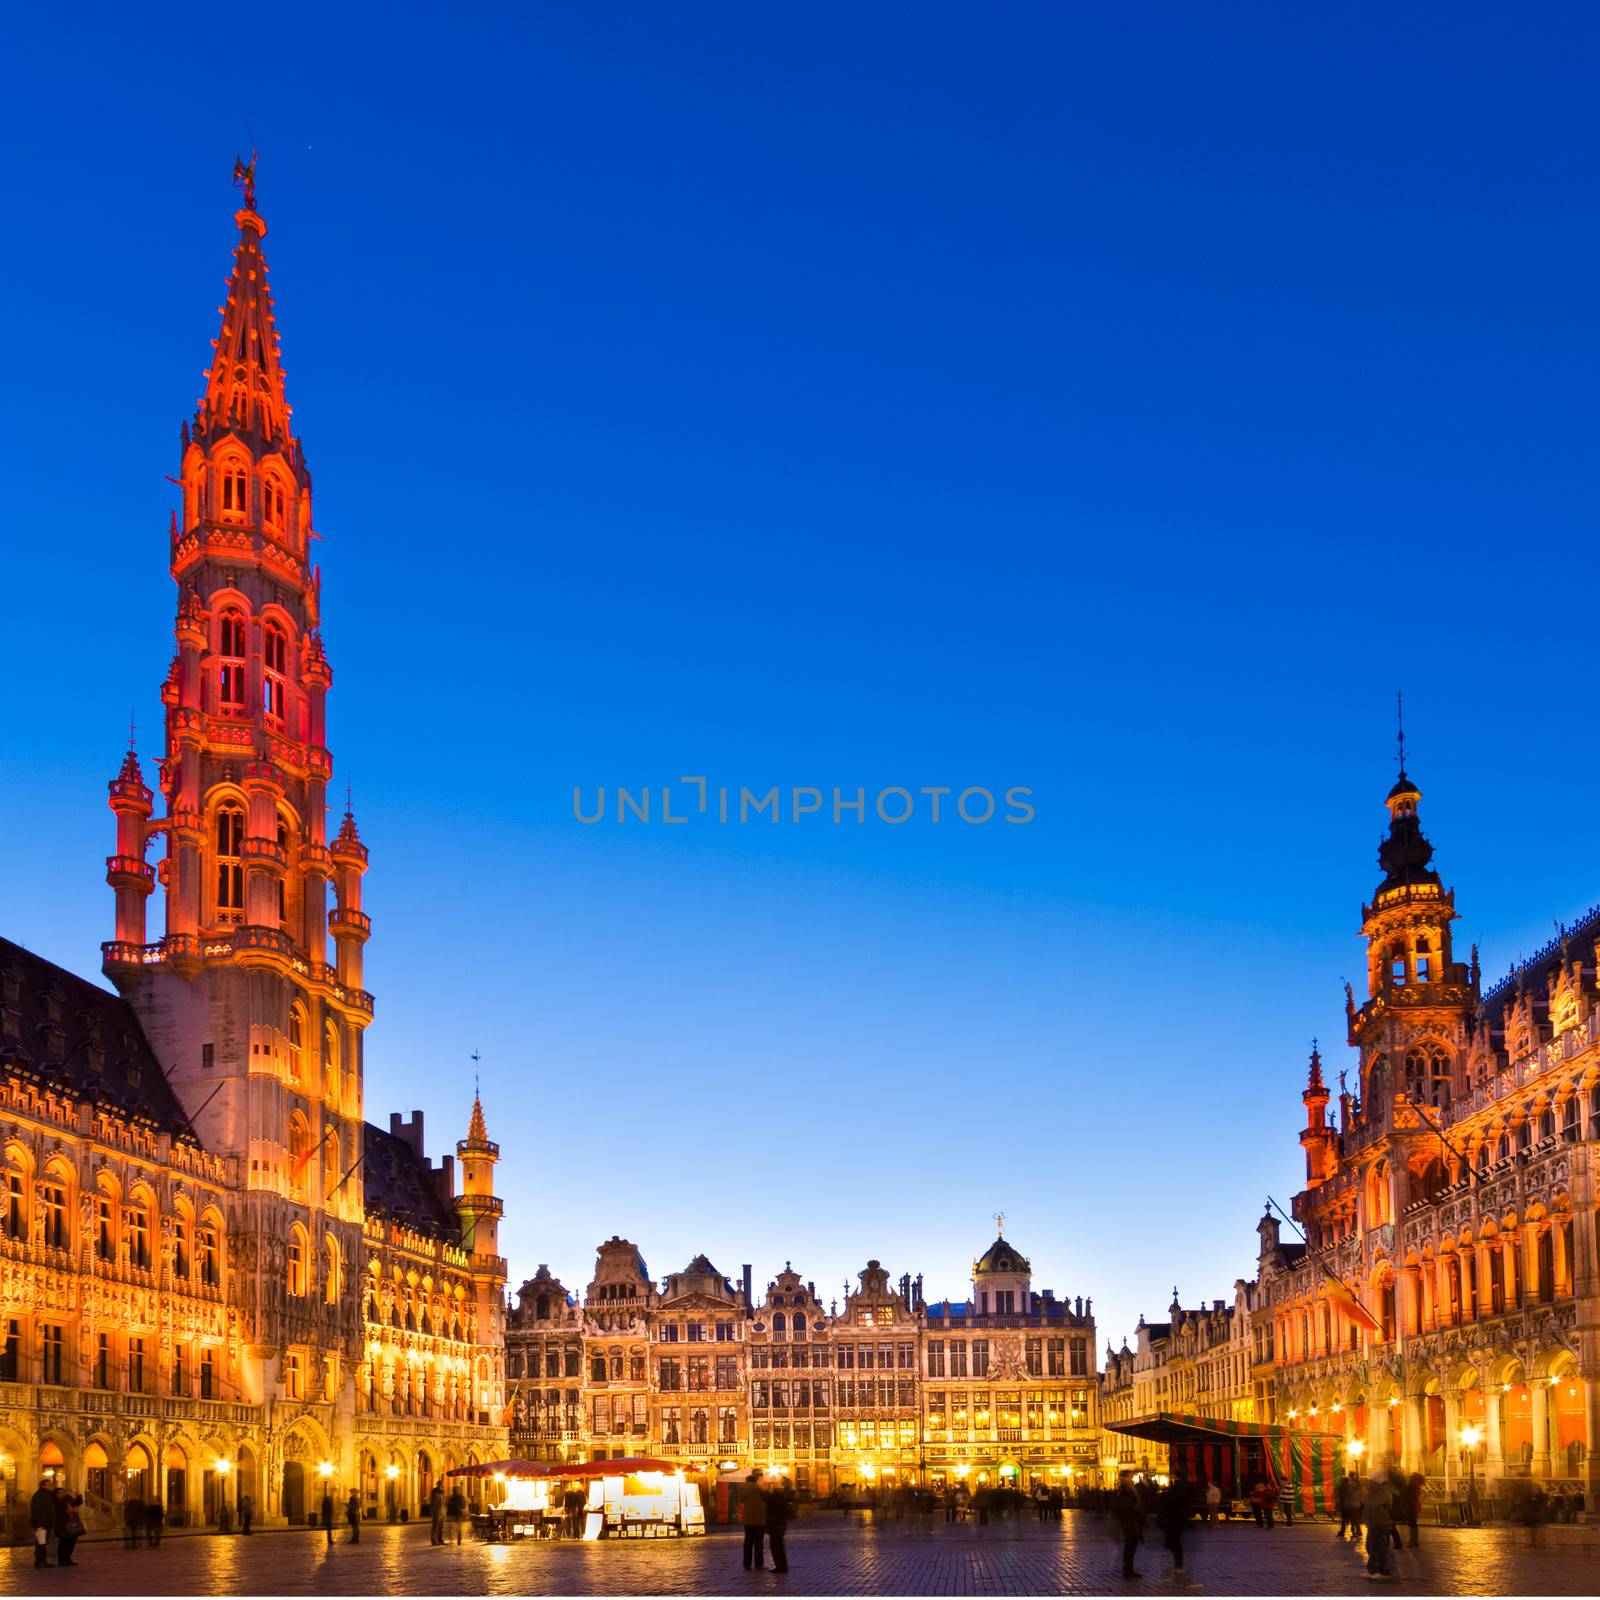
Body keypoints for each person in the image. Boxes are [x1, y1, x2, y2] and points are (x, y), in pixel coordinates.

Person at [1362, 1471, 1395, 1580]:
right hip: (1373, 1522)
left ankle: (1383, 1571)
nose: (1369, 1483)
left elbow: (1372, 1504)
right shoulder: (1374, 1492)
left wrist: (1364, 1497)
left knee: (1379, 1548)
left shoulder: (1383, 1493)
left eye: (1371, 1482)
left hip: (1380, 1523)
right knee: (1370, 1546)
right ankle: (1373, 1569)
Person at [1111, 1477, 1145, 1580]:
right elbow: (1125, 1508)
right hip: (1129, 1523)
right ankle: (1127, 1570)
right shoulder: (1124, 1494)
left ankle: (1130, 1569)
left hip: (1133, 1522)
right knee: (1129, 1547)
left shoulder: (1130, 1493)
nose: (1131, 1481)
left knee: (1132, 1547)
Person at [1156, 1476, 1189, 1576]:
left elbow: (1165, 1505)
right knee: (1175, 1542)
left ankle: (1178, 1565)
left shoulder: (1172, 1491)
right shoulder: (1182, 1491)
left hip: (1172, 1519)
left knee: (1174, 1542)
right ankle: (1178, 1564)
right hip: (1177, 1520)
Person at [740, 1472, 768, 1570]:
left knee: (748, 1541)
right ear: (755, 1480)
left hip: (747, 1519)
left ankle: (746, 1564)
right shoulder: (757, 1487)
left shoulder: (744, 1488)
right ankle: (758, 1564)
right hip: (758, 1519)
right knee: (758, 1543)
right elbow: (766, 1494)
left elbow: (742, 1499)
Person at [766, 1477, 793, 1574]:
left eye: (777, 1482)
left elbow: (772, 1506)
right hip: (779, 1523)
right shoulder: (784, 1495)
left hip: (775, 1522)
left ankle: (780, 1566)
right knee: (778, 1545)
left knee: (776, 1546)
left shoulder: (778, 1495)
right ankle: (781, 1566)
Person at [54, 1485, 84, 1569]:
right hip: (63, 1525)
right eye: (60, 1492)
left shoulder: (67, 1500)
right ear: (56, 1494)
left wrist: (78, 1495)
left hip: (71, 1524)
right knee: (63, 1543)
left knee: (71, 1542)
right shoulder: (57, 1502)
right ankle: (62, 1560)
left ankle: (68, 1559)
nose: (62, 1494)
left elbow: (78, 1502)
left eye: (63, 1492)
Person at [30, 1480, 57, 1568]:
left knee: (42, 1543)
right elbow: (40, 1511)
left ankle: (41, 1561)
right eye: (49, 1484)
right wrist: (41, 1523)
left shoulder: (46, 1495)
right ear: (43, 1485)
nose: (52, 1485)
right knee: (41, 1543)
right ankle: (40, 1562)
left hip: (45, 1523)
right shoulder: (41, 1496)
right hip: (42, 1524)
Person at [1400, 1473, 1423, 1549]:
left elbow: (1407, 1495)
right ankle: (1415, 1541)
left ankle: (1412, 1541)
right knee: (1414, 1524)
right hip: (1415, 1505)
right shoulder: (1417, 1486)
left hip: (1411, 1506)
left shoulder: (1411, 1486)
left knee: (1411, 1524)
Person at [1337, 1472, 1360, 1540]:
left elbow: (1344, 1496)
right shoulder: (1349, 1486)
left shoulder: (1345, 1487)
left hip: (1347, 1505)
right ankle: (1353, 1531)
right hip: (1348, 1505)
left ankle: (1345, 1531)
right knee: (1351, 1519)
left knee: (1346, 1519)